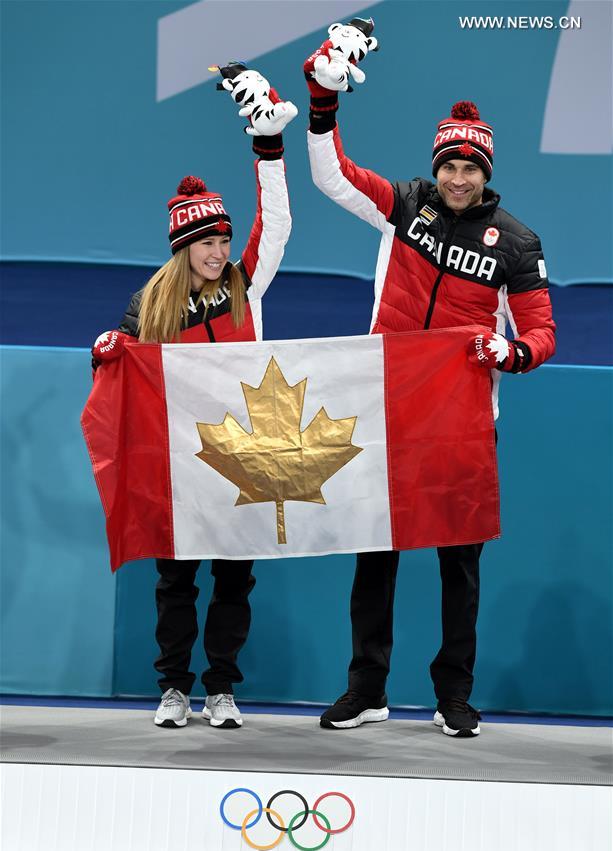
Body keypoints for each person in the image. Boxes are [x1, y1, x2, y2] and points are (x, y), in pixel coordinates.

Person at [304, 20, 556, 737]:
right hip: (384, 407)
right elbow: (331, 175)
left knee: (458, 565)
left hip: (461, 424)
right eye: (448, 163)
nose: (455, 177)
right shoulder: (405, 205)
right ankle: (367, 688)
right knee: (374, 554)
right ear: (436, 165)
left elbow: (540, 333)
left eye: (469, 167)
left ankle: (453, 695)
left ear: (485, 172)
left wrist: (510, 355)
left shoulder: (514, 243)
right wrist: (324, 106)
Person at [91, 66, 295, 729]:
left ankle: (221, 690)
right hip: (179, 463)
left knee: (235, 580)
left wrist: (269, 149)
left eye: (223, 239)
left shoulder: (244, 285)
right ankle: (174, 689)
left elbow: (279, 222)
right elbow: (120, 367)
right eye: (206, 242)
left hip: (243, 457)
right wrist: (104, 351)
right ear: (182, 248)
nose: (218, 250)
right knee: (176, 581)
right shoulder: (149, 303)